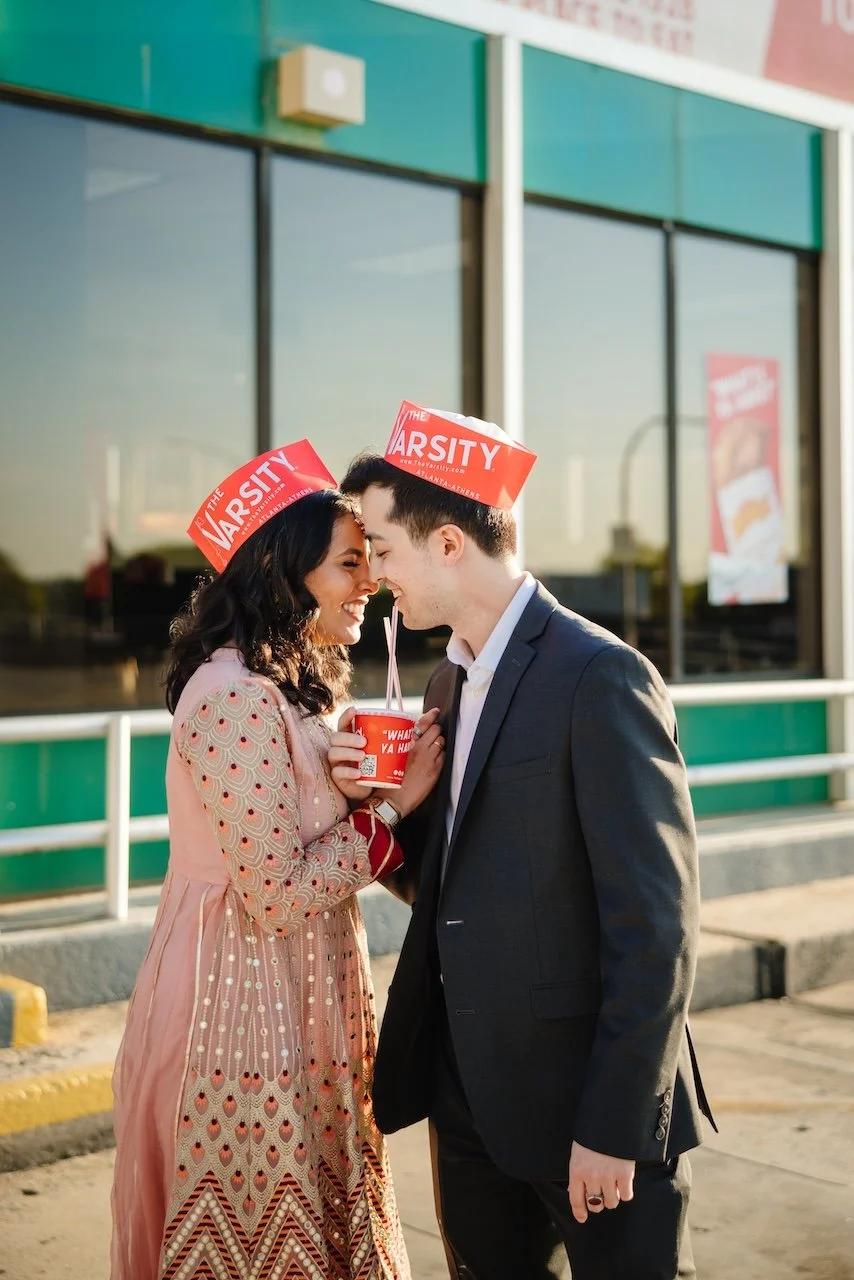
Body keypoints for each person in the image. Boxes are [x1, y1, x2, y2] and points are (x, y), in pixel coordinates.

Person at [331, 403, 716, 1280]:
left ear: (451, 544)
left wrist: (615, 1127)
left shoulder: (601, 674)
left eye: (383, 549)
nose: (375, 574)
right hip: (468, 1102)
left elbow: (657, 927)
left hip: (589, 1108)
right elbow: (453, 886)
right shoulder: (446, 683)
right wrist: (380, 809)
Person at [110, 441, 444, 1280]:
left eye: (370, 560)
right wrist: (395, 810)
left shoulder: (289, 690)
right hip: (236, 1007)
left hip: (293, 999)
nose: (369, 579)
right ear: (284, 575)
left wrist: (355, 791)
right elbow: (275, 890)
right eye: (349, 562)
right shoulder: (231, 697)